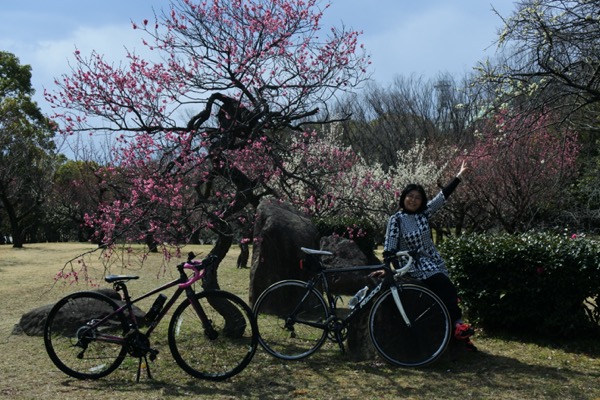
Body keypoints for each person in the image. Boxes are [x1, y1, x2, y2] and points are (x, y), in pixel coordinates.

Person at [370, 161, 476, 351]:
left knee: (448, 290)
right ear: (403, 198)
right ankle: (458, 325)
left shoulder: (423, 214)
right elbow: (389, 248)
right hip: (412, 264)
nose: (413, 200)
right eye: (410, 196)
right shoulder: (396, 220)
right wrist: (391, 269)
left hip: (432, 261)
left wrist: (458, 176)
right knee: (445, 286)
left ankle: (459, 331)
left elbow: (442, 197)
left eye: (418, 197)